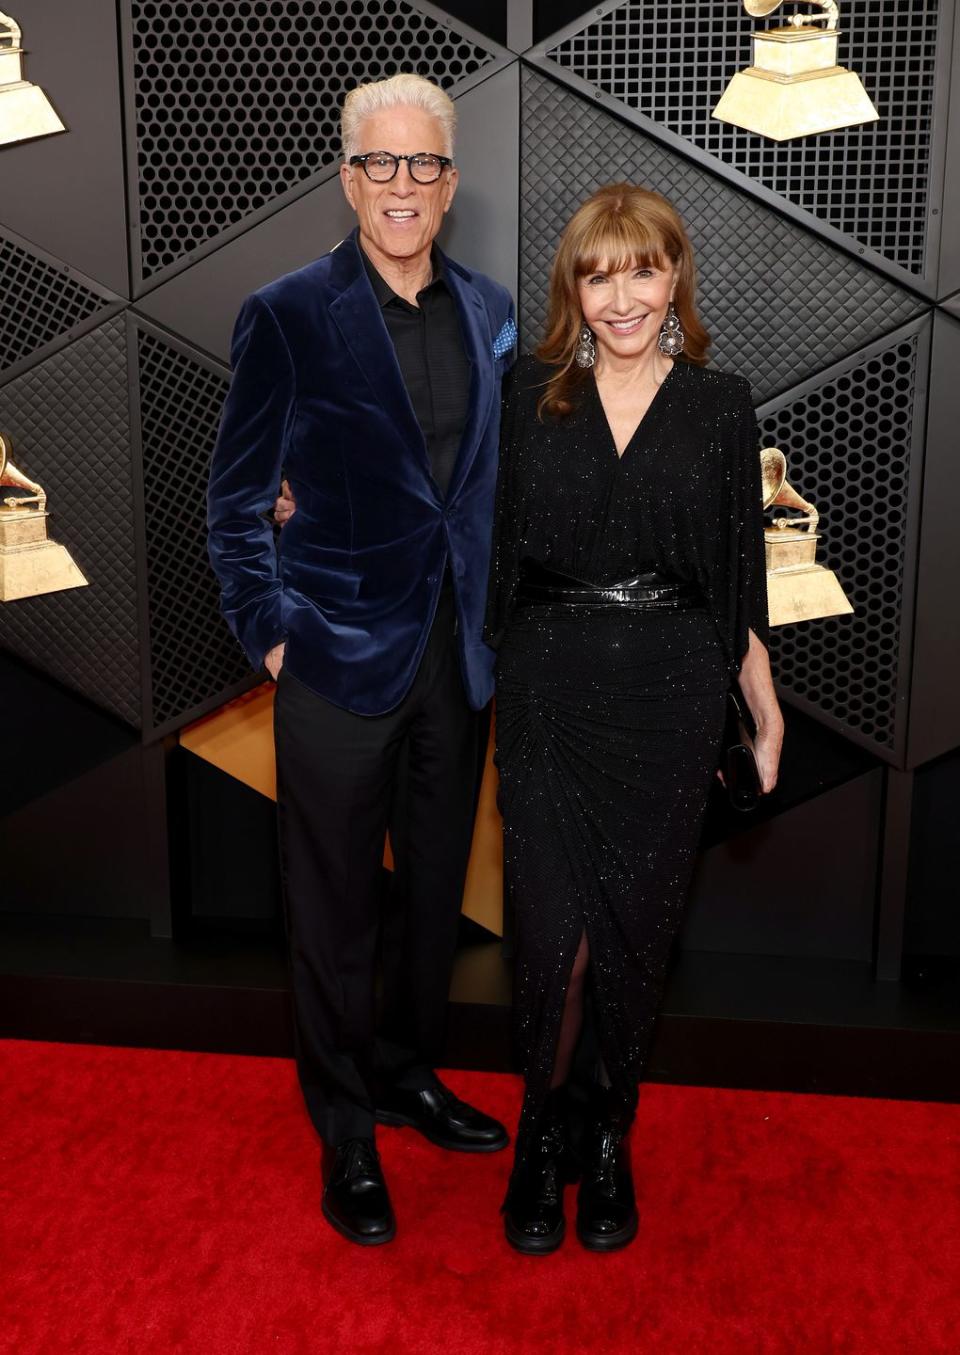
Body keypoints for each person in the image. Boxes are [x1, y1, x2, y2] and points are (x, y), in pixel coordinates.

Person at [207, 72, 516, 1248]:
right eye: (380, 165)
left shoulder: (487, 308)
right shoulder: (286, 311)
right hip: (335, 657)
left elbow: (487, 491)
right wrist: (275, 634)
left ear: (448, 183)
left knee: (432, 893)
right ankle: (343, 1127)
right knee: (333, 905)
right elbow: (235, 502)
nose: (402, 186)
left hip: (457, 659)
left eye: (423, 166)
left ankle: (404, 1071)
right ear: (348, 177)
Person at [485, 184, 783, 1255]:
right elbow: (492, 553)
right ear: (574, 284)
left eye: (641, 270)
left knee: (631, 942)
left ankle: (606, 1134)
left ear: (674, 278)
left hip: (669, 697)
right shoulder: (528, 393)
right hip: (549, 693)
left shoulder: (720, 403)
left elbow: (737, 581)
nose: (621, 296)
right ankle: (539, 1135)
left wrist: (761, 711)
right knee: (552, 944)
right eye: (598, 273)